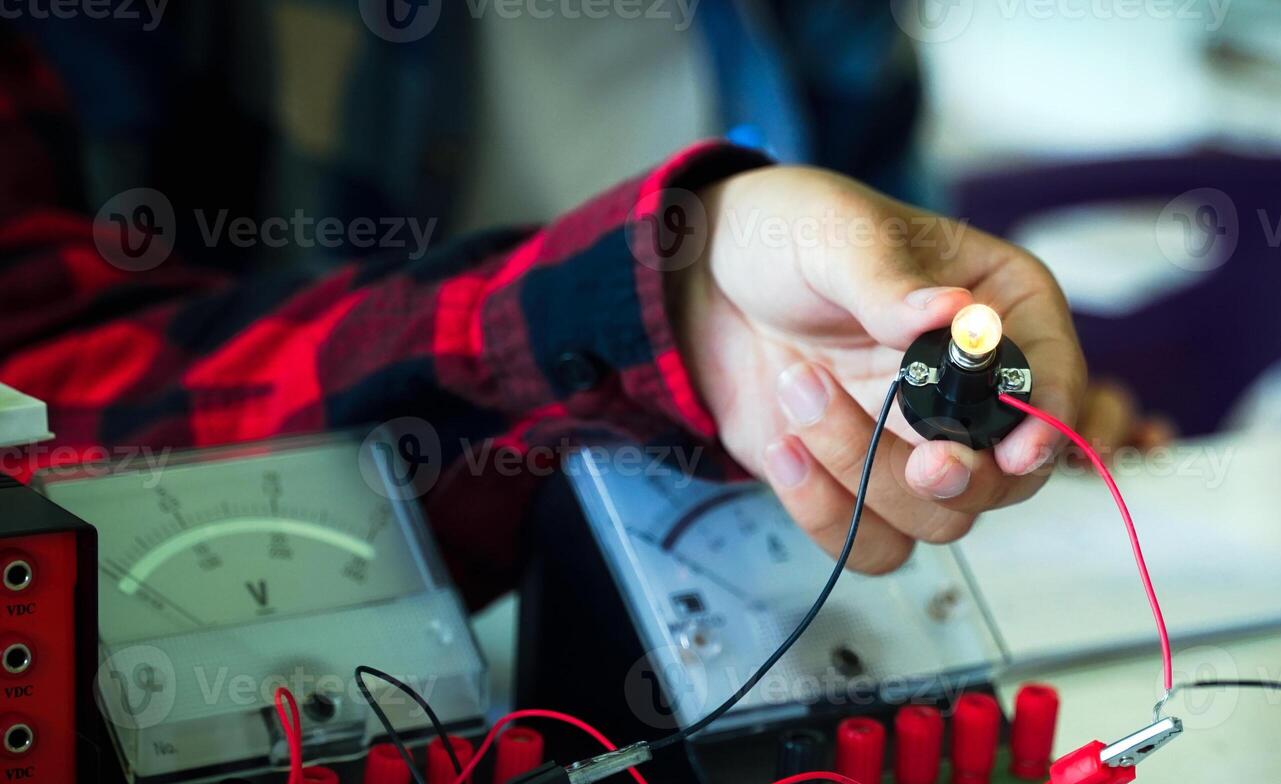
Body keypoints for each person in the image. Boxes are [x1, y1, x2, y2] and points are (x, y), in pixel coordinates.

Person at [0, 28, 1084, 611]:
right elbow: (48, 416)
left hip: (752, 587)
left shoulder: (828, 26)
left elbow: (895, 316)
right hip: (344, 631)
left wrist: (961, 402)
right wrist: (670, 284)